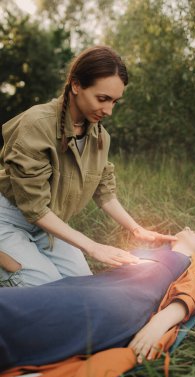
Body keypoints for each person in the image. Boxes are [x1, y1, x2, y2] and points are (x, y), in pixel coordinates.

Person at [0, 45, 176, 286]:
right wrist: (93, 247)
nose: (109, 111)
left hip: (49, 225)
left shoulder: (101, 137)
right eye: (102, 99)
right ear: (76, 85)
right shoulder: (37, 124)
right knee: (44, 287)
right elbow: (35, 208)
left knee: (82, 283)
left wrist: (136, 230)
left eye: (115, 101)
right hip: (9, 218)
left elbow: (104, 192)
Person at [0, 228, 195, 373]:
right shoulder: (153, 253)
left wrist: (162, 320)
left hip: (117, 304)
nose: (188, 228)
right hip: (90, 290)